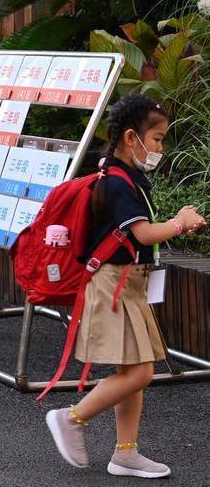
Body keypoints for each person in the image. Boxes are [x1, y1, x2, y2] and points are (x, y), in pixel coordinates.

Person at [45, 94, 206, 477]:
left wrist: (175, 222)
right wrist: (180, 222)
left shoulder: (125, 176)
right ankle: (71, 418)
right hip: (114, 285)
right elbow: (145, 234)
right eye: (156, 139)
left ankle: (125, 452)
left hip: (127, 283)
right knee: (140, 372)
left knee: (133, 371)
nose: (159, 149)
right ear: (131, 137)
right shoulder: (118, 183)